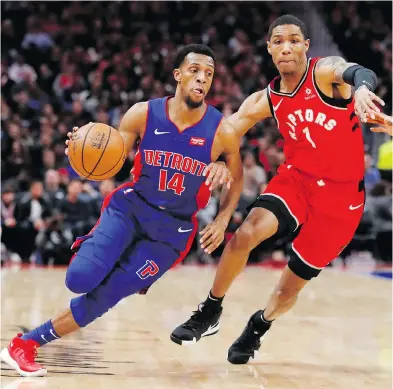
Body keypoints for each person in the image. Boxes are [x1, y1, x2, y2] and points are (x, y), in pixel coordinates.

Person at [1, 44, 244, 377]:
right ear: (177, 75)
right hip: (131, 208)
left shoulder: (223, 131)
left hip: (171, 234)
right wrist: (83, 146)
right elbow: (109, 157)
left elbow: (237, 177)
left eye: (209, 74)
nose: (202, 79)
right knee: (79, 279)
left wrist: (223, 214)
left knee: (107, 296)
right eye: (194, 71)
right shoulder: (143, 113)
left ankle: (23, 345)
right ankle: (102, 248)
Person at [171, 15, 388, 364]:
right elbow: (225, 134)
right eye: (278, 41)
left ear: (304, 45)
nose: (286, 47)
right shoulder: (267, 98)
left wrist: (362, 89)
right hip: (297, 181)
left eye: (293, 40)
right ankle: (210, 310)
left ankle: (260, 324)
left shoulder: (324, 74)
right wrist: (195, 159)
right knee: (245, 234)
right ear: (270, 49)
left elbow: (356, 72)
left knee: (289, 289)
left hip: (342, 198)